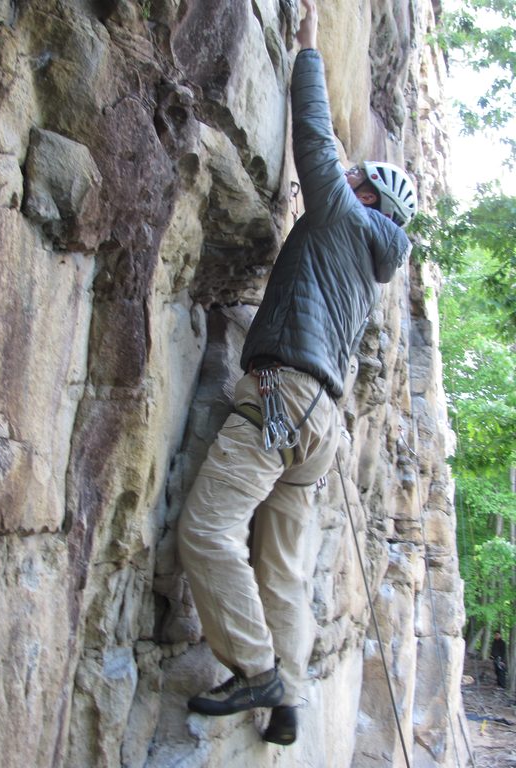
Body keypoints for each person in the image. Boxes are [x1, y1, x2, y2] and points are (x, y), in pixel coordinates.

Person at [178, 0, 417, 746]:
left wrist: (309, 44)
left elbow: (313, 132)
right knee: (279, 564)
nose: (340, 178)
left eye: (353, 179)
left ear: (366, 195)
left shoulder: (344, 216)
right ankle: (290, 705)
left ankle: (256, 671)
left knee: (210, 529)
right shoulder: (365, 272)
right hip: (321, 428)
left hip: (283, 400)